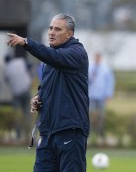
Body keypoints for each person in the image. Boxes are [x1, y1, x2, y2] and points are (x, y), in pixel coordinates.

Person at [7, 14, 89, 172]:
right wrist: (39, 98)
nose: (51, 32)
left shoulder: (77, 53)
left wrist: (26, 42)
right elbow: (48, 85)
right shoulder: (49, 59)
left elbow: (55, 57)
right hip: (47, 132)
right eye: (51, 28)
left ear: (69, 34)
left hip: (69, 130)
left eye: (58, 29)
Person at [3, 54, 32, 142]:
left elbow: (7, 80)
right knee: (27, 112)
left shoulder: (7, 69)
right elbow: (30, 65)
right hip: (26, 90)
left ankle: (18, 133)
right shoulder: (20, 61)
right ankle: (28, 133)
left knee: (17, 114)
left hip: (16, 94)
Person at [88, 52, 115, 138]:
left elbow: (110, 82)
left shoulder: (106, 69)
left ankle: (100, 132)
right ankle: (90, 132)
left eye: (98, 57)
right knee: (89, 114)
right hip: (91, 95)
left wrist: (108, 94)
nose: (97, 59)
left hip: (101, 96)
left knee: (101, 115)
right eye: (96, 57)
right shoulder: (89, 68)